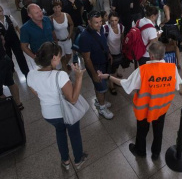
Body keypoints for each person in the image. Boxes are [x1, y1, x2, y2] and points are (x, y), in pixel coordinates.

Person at [97, 42, 182, 160]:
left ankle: (140, 151)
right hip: (161, 109)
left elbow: (125, 84)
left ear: (152, 56)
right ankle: (155, 153)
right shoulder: (172, 68)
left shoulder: (143, 70)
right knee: (158, 132)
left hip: (144, 110)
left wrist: (108, 76)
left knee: (142, 132)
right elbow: (179, 86)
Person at [27, 42, 87, 170]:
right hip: (66, 113)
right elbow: (72, 99)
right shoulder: (60, 76)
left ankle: (65, 161)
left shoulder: (31, 74)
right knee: (74, 133)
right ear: (53, 58)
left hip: (49, 115)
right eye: (59, 56)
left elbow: (36, 93)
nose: (60, 58)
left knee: (60, 133)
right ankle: (78, 159)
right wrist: (79, 77)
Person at [79, 10, 114, 120]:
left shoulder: (101, 28)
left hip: (104, 62)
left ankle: (100, 102)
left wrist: (108, 53)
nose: (100, 25)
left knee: (99, 86)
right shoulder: (85, 37)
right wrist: (94, 74)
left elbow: (103, 42)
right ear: (89, 22)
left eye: (101, 21)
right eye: (96, 22)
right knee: (101, 87)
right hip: (95, 66)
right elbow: (87, 58)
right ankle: (102, 108)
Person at [0, 5, 29, 78]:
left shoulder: (9, 17)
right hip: (5, 43)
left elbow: (16, 27)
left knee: (20, 56)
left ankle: (25, 71)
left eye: (0, 11)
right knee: (8, 57)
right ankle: (12, 70)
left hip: (14, 40)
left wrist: (22, 38)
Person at [0, 32, 24, 110]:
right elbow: (3, 39)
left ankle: (7, 110)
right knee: (11, 83)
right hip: (4, 58)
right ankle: (18, 104)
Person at [103, 12, 125, 95]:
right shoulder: (106, 28)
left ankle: (114, 80)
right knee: (110, 70)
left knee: (115, 68)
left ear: (118, 20)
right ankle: (111, 86)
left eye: (116, 20)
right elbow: (104, 42)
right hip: (110, 54)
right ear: (109, 20)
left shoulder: (121, 27)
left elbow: (122, 40)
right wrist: (108, 54)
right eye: (112, 21)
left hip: (118, 52)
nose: (114, 23)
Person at [51, 0, 74, 73]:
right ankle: (66, 72)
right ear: (53, 9)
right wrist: (55, 40)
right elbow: (51, 30)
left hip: (67, 40)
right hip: (59, 41)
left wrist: (70, 34)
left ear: (61, 8)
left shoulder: (66, 15)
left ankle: (66, 64)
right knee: (62, 57)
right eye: (55, 7)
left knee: (69, 55)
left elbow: (71, 24)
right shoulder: (51, 18)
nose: (57, 9)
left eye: (58, 7)